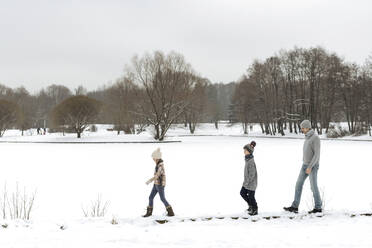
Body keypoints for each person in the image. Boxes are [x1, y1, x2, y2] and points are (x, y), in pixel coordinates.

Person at [284, 120, 322, 214]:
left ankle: (318, 207)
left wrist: (310, 167)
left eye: (303, 128)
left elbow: (316, 155)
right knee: (298, 184)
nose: (302, 130)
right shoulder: (307, 137)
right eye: (301, 128)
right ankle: (294, 207)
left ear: (308, 127)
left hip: (312, 166)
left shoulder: (315, 138)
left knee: (313, 187)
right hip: (304, 165)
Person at [143, 148, 175, 218]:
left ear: (157, 158)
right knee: (150, 197)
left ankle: (170, 212)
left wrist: (149, 181)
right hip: (156, 184)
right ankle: (149, 212)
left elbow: (157, 175)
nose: (153, 159)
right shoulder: (157, 164)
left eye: (154, 158)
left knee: (162, 198)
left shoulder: (160, 166)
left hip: (160, 185)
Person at [240, 141, 258, 216]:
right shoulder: (247, 159)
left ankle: (255, 208)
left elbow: (252, 174)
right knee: (242, 193)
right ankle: (251, 206)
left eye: (245, 150)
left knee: (251, 197)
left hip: (251, 183)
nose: (244, 151)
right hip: (247, 182)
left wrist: (247, 182)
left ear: (249, 152)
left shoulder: (251, 161)